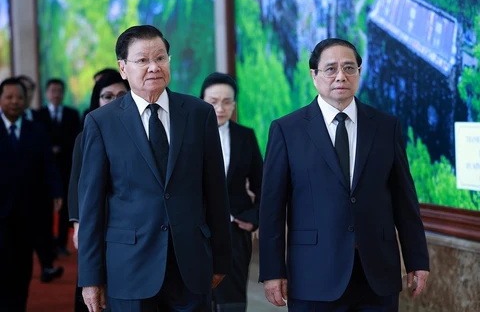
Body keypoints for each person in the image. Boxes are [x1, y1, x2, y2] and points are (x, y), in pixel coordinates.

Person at [259, 38, 430, 311]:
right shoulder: (286, 130)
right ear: (314, 75)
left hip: (377, 274)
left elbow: (404, 201)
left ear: (359, 73)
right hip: (313, 274)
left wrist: (417, 260)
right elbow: (272, 210)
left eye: (349, 68)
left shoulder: (386, 127)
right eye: (331, 69)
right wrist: (272, 271)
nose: (341, 76)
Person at [77, 25, 232, 312]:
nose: (153, 67)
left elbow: (215, 193)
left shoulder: (199, 114)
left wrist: (221, 258)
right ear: (123, 68)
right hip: (129, 268)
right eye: (142, 60)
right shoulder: (102, 122)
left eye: (160, 58)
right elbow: (91, 207)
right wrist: (90, 278)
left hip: (191, 265)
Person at [200, 72, 263, 311]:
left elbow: (263, 184)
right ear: (202, 100)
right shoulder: (187, 136)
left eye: (227, 101)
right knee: (196, 295)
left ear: (234, 104)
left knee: (232, 299)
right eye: (213, 101)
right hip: (196, 229)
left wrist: (253, 217)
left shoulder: (244, 136)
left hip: (235, 229)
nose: (220, 107)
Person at [68, 71, 129, 312]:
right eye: (107, 96)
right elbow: (76, 184)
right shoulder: (85, 137)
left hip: (127, 222)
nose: (114, 101)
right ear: (97, 101)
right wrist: (78, 224)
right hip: (96, 222)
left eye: (121, 95)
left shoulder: (143, 133)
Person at [0, 77, 62, 311]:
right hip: (1, 212)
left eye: (20, 97)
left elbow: (48, 164)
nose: (15, 102)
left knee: (22, 266)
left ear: (26, 101)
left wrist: (56, 191)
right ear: (1, 99)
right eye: (9, 97)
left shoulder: (36, 130)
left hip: (29, 212)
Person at [17, 74, 65, 283]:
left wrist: (55, 190)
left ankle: (47, 265)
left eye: (28, 91)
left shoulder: (36, 122)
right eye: (22, 91)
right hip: (11, 191)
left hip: (38, 188)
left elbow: (47, 161)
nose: (25, 95)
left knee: (43, 229)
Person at [37, 78, 81, 256]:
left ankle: (62, 244)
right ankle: (47, 246)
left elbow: (76, 139)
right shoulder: (38, 114)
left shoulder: (72, 114)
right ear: (47, 93)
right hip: (44, 171)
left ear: (63, 94)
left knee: (65, 209)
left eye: (59, 91)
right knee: (45, 209)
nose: (56, 94)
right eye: (52, 91)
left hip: (66, 168)